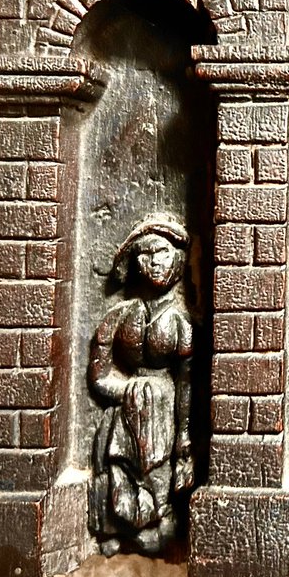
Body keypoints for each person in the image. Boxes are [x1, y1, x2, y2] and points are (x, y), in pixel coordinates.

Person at [88, 215, 196, 556]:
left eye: (162, 251)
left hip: (162, 418)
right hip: (125, 417)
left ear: (177, 256)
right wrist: (128, 390)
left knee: (157, 485)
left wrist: (184, 438)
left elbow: (186, 384)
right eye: (145, 254)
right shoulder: (120, 316)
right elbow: (99, 375)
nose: (154, 262)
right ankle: (121, 525)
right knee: (119, 481)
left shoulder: (181, 323)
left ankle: (158, 519)